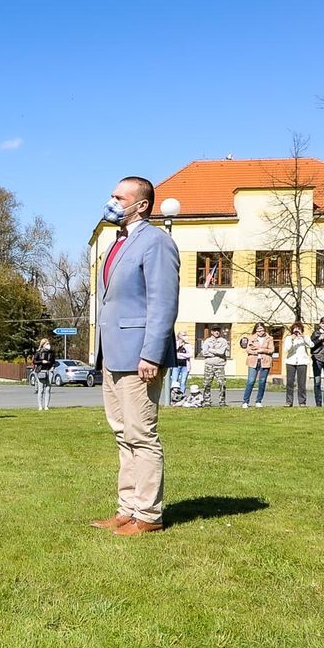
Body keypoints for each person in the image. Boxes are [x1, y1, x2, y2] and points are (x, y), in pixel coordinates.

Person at [88, 176, 179, 535]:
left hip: (140, 357)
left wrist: (152, 355)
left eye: (118, 197)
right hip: (112, 355)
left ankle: (149, 516)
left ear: (141, 205)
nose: (111, 201)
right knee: (123, 435)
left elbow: (163, 302)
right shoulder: (116, 243)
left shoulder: (156, 242)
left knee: (142, 435)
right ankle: (127, 509)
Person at [241, 323, 274, 409]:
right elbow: (248, 349)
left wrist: (262, 350)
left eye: (262, 329)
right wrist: (256, 352)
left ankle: (258, 401)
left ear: (264, 329)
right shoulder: (251, 338)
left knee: (262, 382)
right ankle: (245, 401)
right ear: (256, 330)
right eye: (258, 329)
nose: (260, 331)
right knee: (251, 381)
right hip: (253, 361)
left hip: (265, 361)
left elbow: (271, 350)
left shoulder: (269, 338)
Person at [198, 327, 230, 406]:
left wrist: (211, 350)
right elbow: (204, 352)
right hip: (209, 365)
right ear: (212, 332)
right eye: (215, 331)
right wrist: (215, 353)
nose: (217, 332)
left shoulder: (223, 341)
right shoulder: (207, 341)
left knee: (222, 383)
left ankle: (222, 401)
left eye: (218, 331)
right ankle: (207, 401)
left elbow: (222, 352)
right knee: (207, 383)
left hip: (220, 365)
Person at [281, 323, 310, 407]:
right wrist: (292, 340)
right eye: (295, 329)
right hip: (291, 362)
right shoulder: (288, 338)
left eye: (299, 329)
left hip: (302, 362)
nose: (297, 331)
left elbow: (311, 345)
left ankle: (302, 402)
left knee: (301, 383)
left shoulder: (305, 338)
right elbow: (286, 349)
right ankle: (289, 402)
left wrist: (303, 337)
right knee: (290, 383)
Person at [32, 337, 56, 411]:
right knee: (41, 389)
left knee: (48, 388)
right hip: (41, 371)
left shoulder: (51, 352)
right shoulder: (38, 352)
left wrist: (53, 367)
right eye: (47, 343)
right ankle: (40, 406)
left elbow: (54, 361)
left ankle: (46, 406)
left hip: (49, 371)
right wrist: (42, 362)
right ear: (43, 345)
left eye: (49, 343)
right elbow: (34, 361)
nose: (48, 345)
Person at [168, 332, 190, 406]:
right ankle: (173, 398)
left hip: (185, 366)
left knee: (183, 382)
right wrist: (181, 355)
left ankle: (181, 398)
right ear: (179, 336)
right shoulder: (175, 344)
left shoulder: (187, 345)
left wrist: (180, 355)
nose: (185, 337)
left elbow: (190, 354)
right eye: (184, 335)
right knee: (174, 382)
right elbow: (173, 354)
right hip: (176, 366)